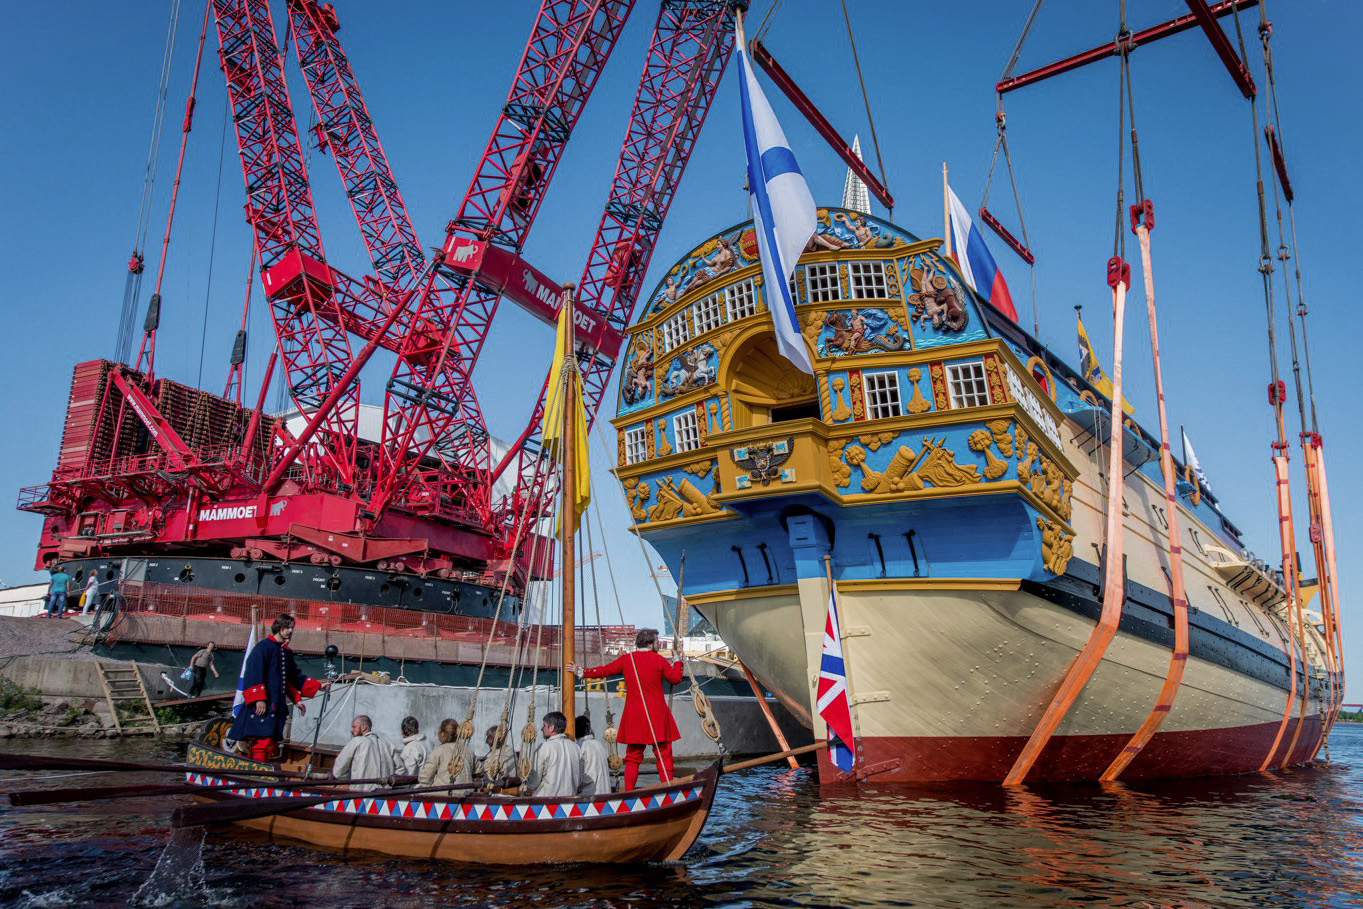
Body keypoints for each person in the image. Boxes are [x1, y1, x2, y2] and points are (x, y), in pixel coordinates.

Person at [568, 628, 684, 790]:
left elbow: (605, 670)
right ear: (650, 644)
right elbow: (676, 679)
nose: (659, 645)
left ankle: (628, 792)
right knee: (664, 755)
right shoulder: (659, 660)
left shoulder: (627, 660)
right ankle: (668, 790)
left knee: (633, 757)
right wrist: (678, 661)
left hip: (635, 716)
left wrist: (581, 672)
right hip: (657, 715)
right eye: (657, 642)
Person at [225, 613, 328, 762]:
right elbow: (254, 673)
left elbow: (292, 677)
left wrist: (316, 687)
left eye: (292, 628)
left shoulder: (286, 652)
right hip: (263, 705)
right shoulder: (262, 648)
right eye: (287, 627)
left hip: (276, 705)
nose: (290, 631)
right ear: (278, 627)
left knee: (270, 742)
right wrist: (259, 699)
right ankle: (257, 771)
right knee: (262, 742)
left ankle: (262, 769)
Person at [332, 715, 395, 791]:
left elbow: (338, 771)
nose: (351, 730)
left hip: (361, 792)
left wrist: (350, 779)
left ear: (363, 728)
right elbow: (401, 768)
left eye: (354, 727)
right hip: (385, 794)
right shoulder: (388, 744)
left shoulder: (357, 741)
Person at [526, 711, 580, 798]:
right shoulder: (576, 747)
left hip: (547, 801)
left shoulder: (544, 747)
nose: (542, 729)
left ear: (551, 728)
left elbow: (534, 781)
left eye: (544, 725)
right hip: (570, 800)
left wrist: (528, 787)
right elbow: (580, 777)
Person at [419, 718, 474, 787]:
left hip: (445, 792)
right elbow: (479, 770)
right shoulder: (468, 750)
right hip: (468, 791)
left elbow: (424, 778)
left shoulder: (438, 751)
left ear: (442, 734)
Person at [575, 713, 612, 797]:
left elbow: (577, 777)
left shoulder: (580, 747)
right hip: (605, 793)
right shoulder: (598, 744)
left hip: (589, 795)